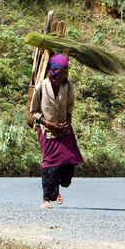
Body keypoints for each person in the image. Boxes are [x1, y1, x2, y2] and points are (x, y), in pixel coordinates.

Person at [29, 54, 84, 209]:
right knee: (50, 164)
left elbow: (69, 107)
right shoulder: (41, 87)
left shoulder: (68, 86)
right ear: (51, 72)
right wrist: (47, 123)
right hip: (46, 130)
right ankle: (47, 198)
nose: (58, 79)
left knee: (69, 166)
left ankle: (57, 187)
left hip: (64, 129)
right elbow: (34, 112)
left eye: (62, 76)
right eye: (56, 75)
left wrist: (68, 123)